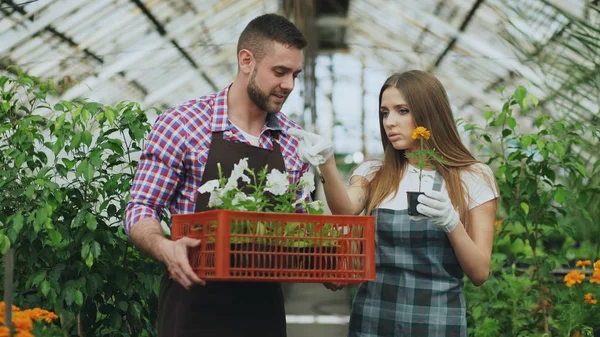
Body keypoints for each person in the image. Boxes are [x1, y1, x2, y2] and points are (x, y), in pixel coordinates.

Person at [124, 13, 310, 337]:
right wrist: (164, 247)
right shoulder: (183, 124)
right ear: (246, 60)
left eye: (295, 74)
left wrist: (321, 262)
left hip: (263, 310)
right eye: (280, 72)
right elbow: (142, 207)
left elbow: (301, 224)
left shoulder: (294, 140)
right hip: (192, 303)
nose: (289, 85)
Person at [289, 70, 498, 336]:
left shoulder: (472, 177)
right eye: (385, 112)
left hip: (436, 322)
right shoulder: (374, 173)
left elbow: (479, 272)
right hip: (373, 319)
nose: (390, 122)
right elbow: (346, 209)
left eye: (402, 110)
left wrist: (451, 223)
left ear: (430, 113)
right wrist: (327, 162)